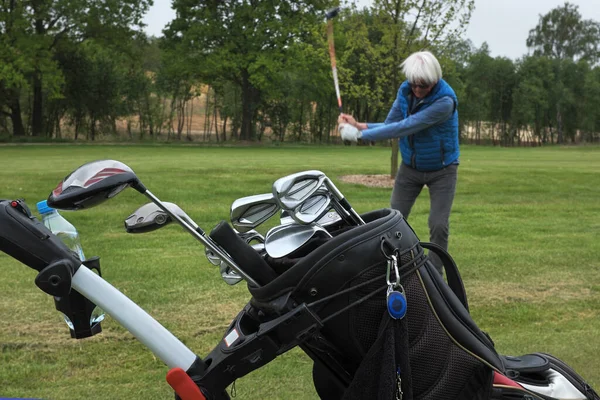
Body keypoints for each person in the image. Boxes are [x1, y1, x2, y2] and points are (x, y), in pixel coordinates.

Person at [337, 50, 459, 275]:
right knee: (393, 220)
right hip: (410, 169)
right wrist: (359, 126)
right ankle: (388, 267)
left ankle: (436, 275)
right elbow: (390, 123)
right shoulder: (405, 93)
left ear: (435, 80)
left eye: (423, 85)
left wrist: (361, 136)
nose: (418, 90)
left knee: (438, 224)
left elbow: (407, 126)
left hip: (443, 170)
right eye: (414, 84)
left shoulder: (445, 102)